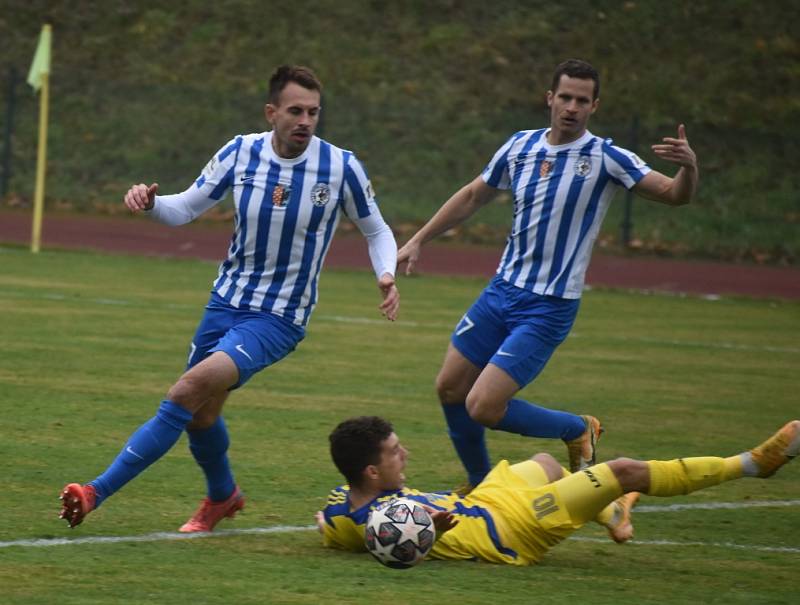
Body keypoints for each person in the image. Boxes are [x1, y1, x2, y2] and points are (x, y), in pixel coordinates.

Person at [59, 65, 400, 532]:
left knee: (185, 391)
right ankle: (223, 497)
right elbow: (185, 209)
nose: (306, 121)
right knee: (201, 416)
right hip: (225, 302)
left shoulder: (340, 166)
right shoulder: (241, 153)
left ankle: (95, 491)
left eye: (314, 112)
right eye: (296, 110)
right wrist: (151, 202)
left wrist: (386, 273)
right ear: (271, 112)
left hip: (278, 317)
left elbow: (376, 228)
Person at [396, 59, 699, 488]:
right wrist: (418, 239)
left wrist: (688, 168)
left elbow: (673, 195)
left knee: (482, 405)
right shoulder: (520, 146)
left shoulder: (606, 157)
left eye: (582, 100)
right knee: (449, 388)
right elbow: (471, 196)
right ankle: (481, 484)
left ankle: (576, 428)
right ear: (550, 99)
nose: (572, 107)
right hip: (501, 292)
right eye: (566, 97)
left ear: (594, 106)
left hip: (548, 307)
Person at [318, 415, 799, 566]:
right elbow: (394, 551)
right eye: (395, 453)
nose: (406, 456)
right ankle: (754, 464)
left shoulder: (343, 506)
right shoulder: (376, 526)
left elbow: (330, 522)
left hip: (484, 502)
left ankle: (610, 515)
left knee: (547, 462)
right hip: (514, 529)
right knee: (624, 470)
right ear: (372, 472)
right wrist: (432, 535)